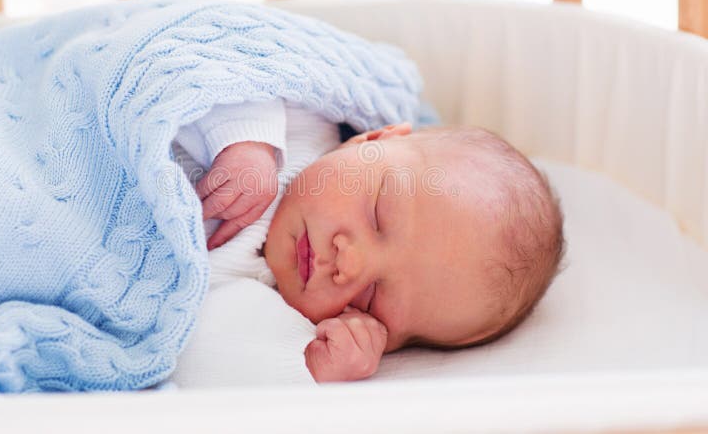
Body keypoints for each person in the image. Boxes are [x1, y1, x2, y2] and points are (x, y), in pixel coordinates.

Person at [172, 96, 564, 383]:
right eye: (377, 214)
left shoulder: (275, 320)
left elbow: (189, 356)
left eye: (372, 299)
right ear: (373, 140)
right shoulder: (305, 126)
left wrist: (310, 370)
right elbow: (236, 68)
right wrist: (246, 142)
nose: (350, 265)